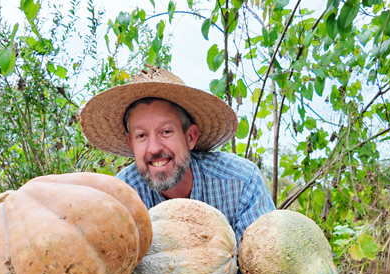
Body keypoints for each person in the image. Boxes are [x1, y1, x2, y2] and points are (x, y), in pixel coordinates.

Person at [79, 66, 275, 245]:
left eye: (166, 132)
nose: (154, 148)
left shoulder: (241, 182)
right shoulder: (122, 196)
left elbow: (263, 265)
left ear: (190, 137)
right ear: (131, 144)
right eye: (141, 136)